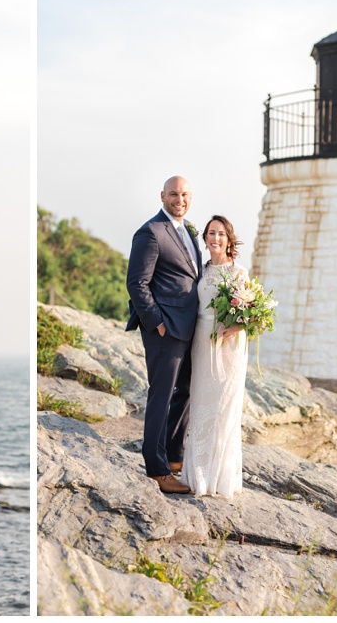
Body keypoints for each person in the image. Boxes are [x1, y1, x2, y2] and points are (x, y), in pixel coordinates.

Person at [125, 176, 202, 495]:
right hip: (165, 329)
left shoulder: (189, 231)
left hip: (190, 326)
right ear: (162, 196)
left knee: (184, 392)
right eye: (173, 194)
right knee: (161, 396)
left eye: (184, 194)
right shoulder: (151, 232)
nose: (179, 199)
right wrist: (157, 322)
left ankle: (173, 459)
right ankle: (156, 469)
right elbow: (137, 283)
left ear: (190, 197)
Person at [183, 216, 248, 498]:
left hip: (228, 347)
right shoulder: (201, 269)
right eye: (211, 233)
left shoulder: (239, 272)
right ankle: (197, 473)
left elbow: (249, 317)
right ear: (205, 238)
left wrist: (230, 328)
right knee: (200, 404)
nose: (216, 238)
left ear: (229, 239)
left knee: (223, 408)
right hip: (201, 340)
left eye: (221, 234)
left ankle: (220, 477)